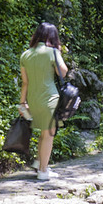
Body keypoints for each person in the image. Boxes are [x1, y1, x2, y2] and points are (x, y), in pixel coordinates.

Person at [19, 22, 67, 183]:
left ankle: (40, 163)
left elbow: (25, 83)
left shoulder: (25, 55)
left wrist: (22, 103)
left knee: (43, 133)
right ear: (52, 37)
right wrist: (58, 54)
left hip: (32, 99)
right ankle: (43, 171)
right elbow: (64, 72)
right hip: (49, 98)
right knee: (49, 134)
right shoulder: (52, 52)